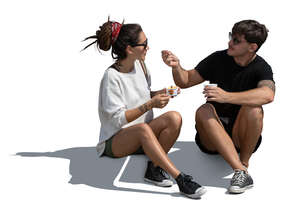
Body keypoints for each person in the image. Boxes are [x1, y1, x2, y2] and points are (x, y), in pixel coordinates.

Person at [82, 18, 206, 199]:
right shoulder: (112, 77)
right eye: (144, 44)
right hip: (115, 142)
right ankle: (181, 179)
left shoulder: (140, 65)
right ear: (129, 49)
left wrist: (161, 93)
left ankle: (153, 169)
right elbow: (117, 119)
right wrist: (150, 104)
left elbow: (144, 93)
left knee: (174, 117)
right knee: (142, 129)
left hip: (144, 136)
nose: (148, 47)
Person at [162, 20, 275, 194]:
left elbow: (268, 95)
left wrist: (226, 96)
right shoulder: (218, 58)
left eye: (236, 40)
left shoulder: (261, 67)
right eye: (231, 37)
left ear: (252, 47)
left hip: (242, 138)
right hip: (211, 139)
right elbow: (185, 81)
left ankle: (243, 166)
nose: (230, 42)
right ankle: (241, 171)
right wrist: (176, 67)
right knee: (203, 110)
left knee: (254, 108)